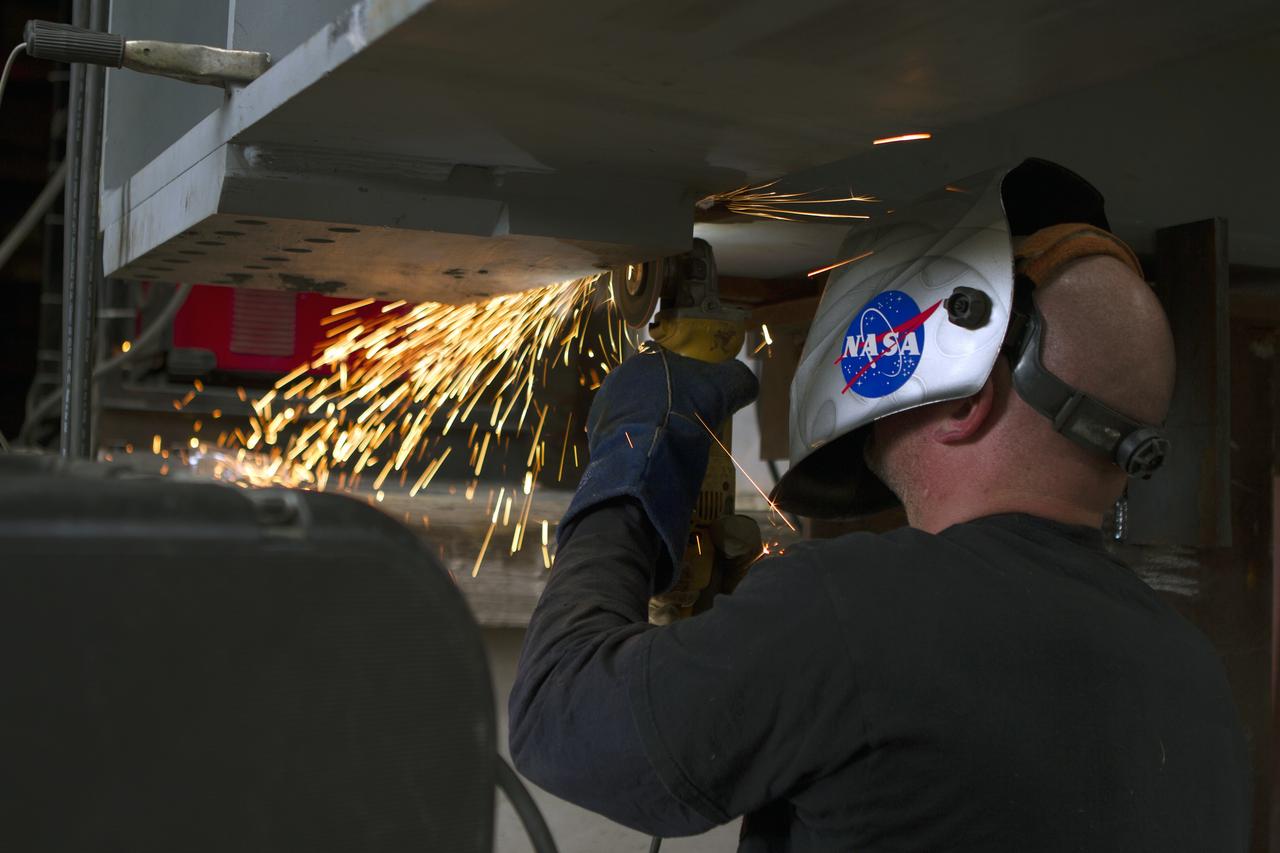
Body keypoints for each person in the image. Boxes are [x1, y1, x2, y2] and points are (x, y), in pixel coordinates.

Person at [508, 159, 1250, 851]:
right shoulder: (1193, 676)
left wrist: (633, 463)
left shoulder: (858, 610)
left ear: (965, 396)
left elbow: (558, 716)